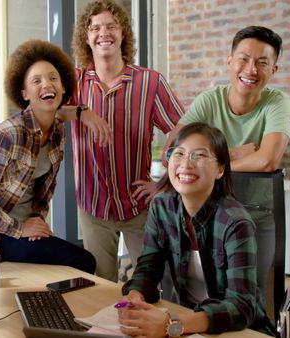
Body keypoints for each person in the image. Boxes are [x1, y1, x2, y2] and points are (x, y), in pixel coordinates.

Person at [160, 26, 290, 295]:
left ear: (273, 70)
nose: (251, 69)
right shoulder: (210, 100)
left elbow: (268, 161)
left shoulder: (277, 102)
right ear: (229, 61)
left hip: (258, 216)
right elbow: (171, 153)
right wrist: (235, 153)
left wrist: (211, 160)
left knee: (251, 299)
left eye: (262, 62)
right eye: (243, 58)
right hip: (210, 217)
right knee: (197, 292)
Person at [118, 122, 275, 337]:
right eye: (178, 154)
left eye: (199, 156)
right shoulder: (162, 207)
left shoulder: (236, 223)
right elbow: (148, 267)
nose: (186, 164)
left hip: (235, 329)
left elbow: (242, 306)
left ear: (220, 169)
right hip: (186, 320)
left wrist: (173, 324)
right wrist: (135, 295)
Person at [69, 0, 185, 282]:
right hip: (93, 206)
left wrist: (164, 182)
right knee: (100, 286)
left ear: (123, 34)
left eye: (111, 25)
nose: (103, 33)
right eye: (95, 27)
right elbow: (46, 112)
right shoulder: (74, 82)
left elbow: (183, 132)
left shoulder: (150, 82)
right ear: (86, 38)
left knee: (155, 283)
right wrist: (81, 112)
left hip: (138, 206)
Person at [0, 39, 96, 274]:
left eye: (53, 78)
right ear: (24, 92)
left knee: (74, 256)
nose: (47, 84)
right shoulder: (7, 135)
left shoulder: (55, 130)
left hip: (28, 226)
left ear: (64, 86)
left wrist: (81, 112)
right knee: (83, 260)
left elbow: (40, 192)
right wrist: (21, 228)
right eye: (36, 80)